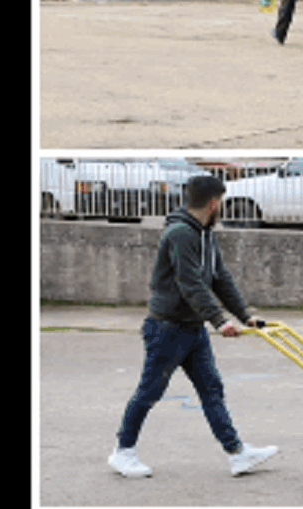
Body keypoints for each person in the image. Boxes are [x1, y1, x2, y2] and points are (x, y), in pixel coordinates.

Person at [110, 175, 278, 479]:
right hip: (166, 329)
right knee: (150, 391)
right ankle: (123, 452)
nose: (222, 209)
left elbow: (219, 277)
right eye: (222, 203)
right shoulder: (180, 234)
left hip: (192, 328)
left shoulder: (205, 233)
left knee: (212, 389)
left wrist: (244, 315)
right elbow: (189, 282)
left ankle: (237, 453)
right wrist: (219, 320)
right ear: (213, 204)